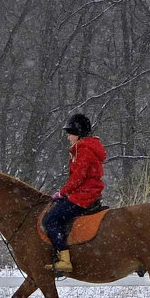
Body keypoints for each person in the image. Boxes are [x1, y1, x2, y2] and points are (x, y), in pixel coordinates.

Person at [43, 113, 106, 275]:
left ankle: (64, 260)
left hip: (82, 196)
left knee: (50, 219)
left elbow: (78, 178)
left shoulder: (83, 149)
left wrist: (62, 193)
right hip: (88, 194)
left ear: (78, 133)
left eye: (70, 133)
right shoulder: (89, 147)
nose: (68, 137)